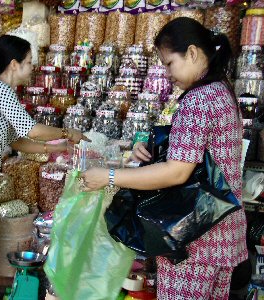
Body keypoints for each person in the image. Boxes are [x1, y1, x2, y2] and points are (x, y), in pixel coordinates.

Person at [81, 17, 247, 299]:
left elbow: (177, 173)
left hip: (192, 242)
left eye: (170, 64)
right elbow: (200, 157)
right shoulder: (222, 92)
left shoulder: (198, 100)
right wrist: (153, 152)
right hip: (223, 238)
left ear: (192, 53)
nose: (168, 74)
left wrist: (108, 176)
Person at [0, 35, 89, 300]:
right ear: (14, 64)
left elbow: (20, 141)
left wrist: (55, 148)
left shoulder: (1, 93)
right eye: (28, 62)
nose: (32, 68)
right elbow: (32, 128)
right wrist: (68, 133)